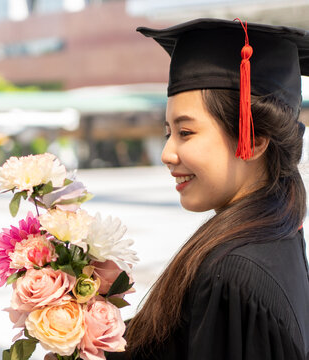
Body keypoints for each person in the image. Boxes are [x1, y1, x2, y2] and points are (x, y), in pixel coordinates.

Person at [104, 18, 309, 360]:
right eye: (168, 132)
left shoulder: (233, 275)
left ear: (253, 139)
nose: (167, 154)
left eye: (186, 133)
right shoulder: (279, 235)